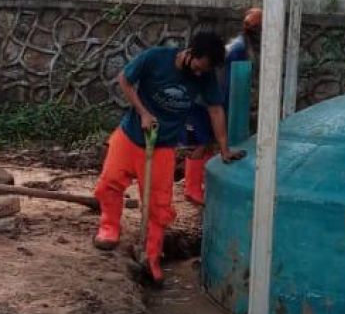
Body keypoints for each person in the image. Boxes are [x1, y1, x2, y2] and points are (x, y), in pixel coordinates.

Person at [92, 31, 245, 286]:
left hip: (163, 146)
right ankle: (109, 228)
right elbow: (124, 79)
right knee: (109, 183)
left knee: (159, 205)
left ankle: (152, 256)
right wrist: (143, 113)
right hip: (130, 136)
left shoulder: (204, 76)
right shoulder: (155, 58)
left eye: (204, 70)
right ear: (190, 52)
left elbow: (216, 109)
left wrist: (224, 147)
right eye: (198, 66)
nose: (199, 73)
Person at [182, 8, 262, 205]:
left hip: (216, 100)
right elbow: (224, 78)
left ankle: (201, 182)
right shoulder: (237, 48)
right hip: (206, 101)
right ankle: (191, 187)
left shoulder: (243, 46)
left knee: (208, 141)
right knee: (201, 141)